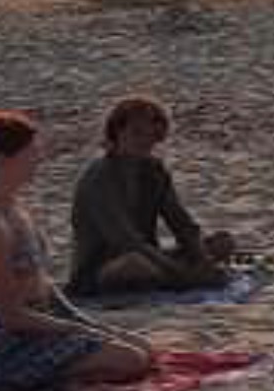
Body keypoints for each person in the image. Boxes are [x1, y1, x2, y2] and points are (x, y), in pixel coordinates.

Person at [0, 112, 153, 391]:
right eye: (30, 153)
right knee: (131, 360)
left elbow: (43, 284)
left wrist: (92, 326)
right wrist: (75, 331)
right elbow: (10, 316)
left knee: (142, 348)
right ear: (1, 160)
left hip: (40, 325)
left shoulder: (14, 207)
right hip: (4, 346)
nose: (38, 159)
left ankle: (71, 375)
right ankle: (64, 383)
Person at [68, 97, 234, 298]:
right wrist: (180, 272)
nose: (145, 140)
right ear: (117, 132)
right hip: (102, 267)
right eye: (136, 132)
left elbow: (181, 223)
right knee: (135, 265)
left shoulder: (155, 171)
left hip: (150, 256)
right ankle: (181, 280)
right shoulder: (99, 176)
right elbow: (125, 240)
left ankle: (181, 277)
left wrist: (202, 259)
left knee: (222, 243)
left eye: (152, 134)